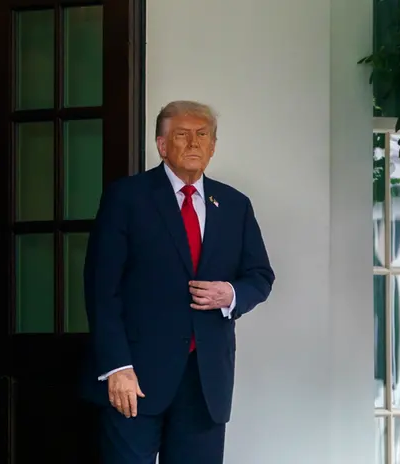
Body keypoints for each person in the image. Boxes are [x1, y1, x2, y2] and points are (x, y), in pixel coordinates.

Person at [81, 100, 275, 463]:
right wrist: (117, 367)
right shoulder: (127, 197)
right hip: (134, 377)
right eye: (182, 135)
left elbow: (260, 276)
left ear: (213, 146)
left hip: (205, 382)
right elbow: (101, 288)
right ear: (161, 144)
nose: (193, 144)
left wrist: (231, 294)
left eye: (203, 136)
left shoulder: (234, 205)